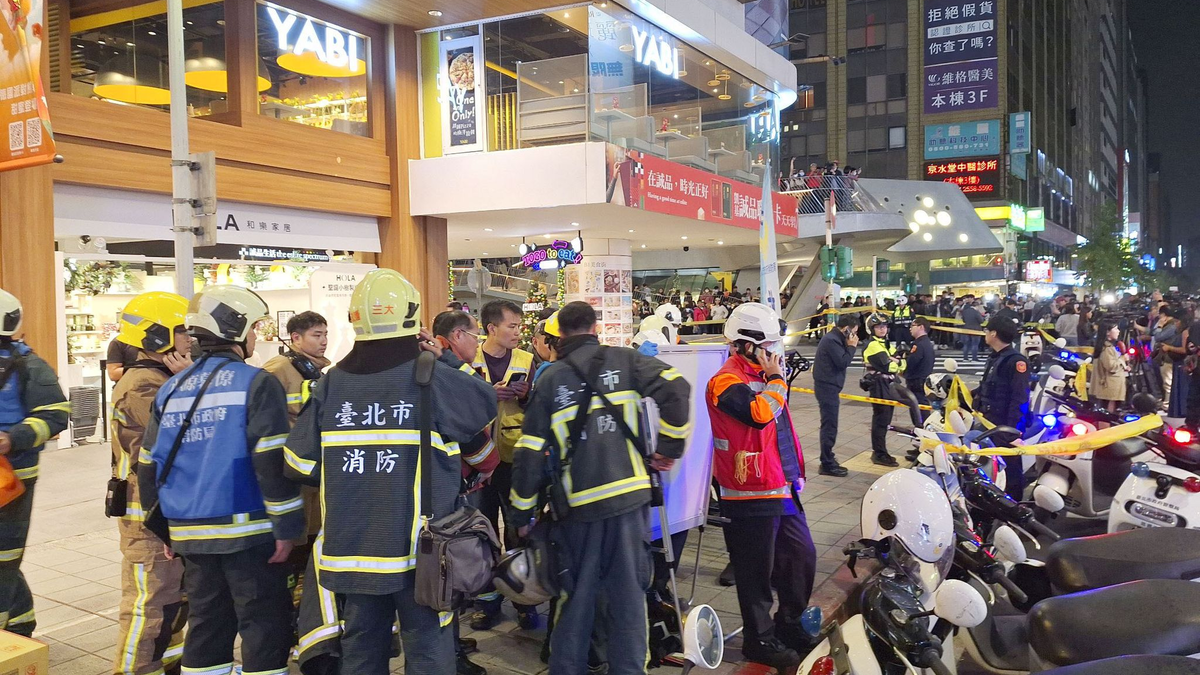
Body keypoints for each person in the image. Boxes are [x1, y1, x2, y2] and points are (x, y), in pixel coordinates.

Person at [284, 270, 497, 675]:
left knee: (362, 648)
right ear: (413, 316)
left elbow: (299, 464)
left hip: (352, 550)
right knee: (428, 649)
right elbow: (483, 408)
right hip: (422, 554)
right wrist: (445, 356)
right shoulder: (432, 377)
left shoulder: (331, 384)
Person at [509, 301, 691, 675]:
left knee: (573, 599)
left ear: (559, 335)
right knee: (628, 598)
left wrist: (521, 514)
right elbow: (677, 387)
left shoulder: (550, 379)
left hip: (576, 512)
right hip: (629, 504)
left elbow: (529, 453)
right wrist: (667, 451)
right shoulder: (627, 361)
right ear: (595, 328)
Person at [137, 285, 304, 675]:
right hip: (249, 533)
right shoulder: (256, 382)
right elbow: (270, 460)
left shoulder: (171, 388)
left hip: (191, 532)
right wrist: (287, 527)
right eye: (253, 328)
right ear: (236, 328)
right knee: (263, 626)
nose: (255, 337)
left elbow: (148, 467)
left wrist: (166, 531)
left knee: (207, 626)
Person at [705, 303, 817, 670]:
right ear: (744, 344)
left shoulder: (765, 375)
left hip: (780, 485)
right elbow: (759, 415)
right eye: (768, 343)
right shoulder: (725, 380)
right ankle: (760, 639)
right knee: (755, 573)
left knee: (801, 557)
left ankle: (788, 624)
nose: (775, 350)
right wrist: (777, 380)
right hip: (748, 490)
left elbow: (780, 429)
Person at [110, 292, 193, 675]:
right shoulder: (142, 384)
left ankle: (168, 666)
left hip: (166, 510)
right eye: (182, 331)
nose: (190, 338)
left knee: (174, 602)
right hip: (147, 517)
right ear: (158, 336)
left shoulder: (160, 378)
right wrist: (188, 381)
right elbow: (176, 435)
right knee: (149, 606)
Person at [469, 300, 537, 631]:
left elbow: (535, 404)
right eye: (512, 326)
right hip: (477, 459)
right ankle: (486, 600)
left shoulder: (526, 359)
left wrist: (524, 396)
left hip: (513, 456)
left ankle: (525, 598)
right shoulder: (470, 359)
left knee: (518, 529)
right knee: (481, 531)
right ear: (491, 328)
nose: (517, 332)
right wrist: (486, 394)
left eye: (520, 326)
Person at [975, 316, 1031, 500]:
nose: (985, 333)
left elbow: (1020, 398)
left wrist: (1013, 433)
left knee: (1011, 470)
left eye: (987, 330)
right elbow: (988, 386)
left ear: (994, 334)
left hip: (1004, 428)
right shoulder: (996, 358)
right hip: (989, 423)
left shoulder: (1015, 361)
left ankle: (1016, 507)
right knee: (990, 467)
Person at [811, 314, 859, 477]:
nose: (855, 336)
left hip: (829, 386)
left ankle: (828, 458)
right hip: (827, 387)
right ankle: (826, 462)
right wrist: (852, 346)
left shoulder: (835, 338)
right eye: (854, 332)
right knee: (829, 425)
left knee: (830, 424)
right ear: (847, 330)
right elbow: (843, 362)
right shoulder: (831, 340)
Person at [861, 313, 903, 467]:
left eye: (884, 326)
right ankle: (879, 453)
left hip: (888, 385)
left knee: (884, 421)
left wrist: (895, 361)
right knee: (881, 421)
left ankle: (881, 451)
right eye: (878, 327)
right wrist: (895, 361)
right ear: (872, 329)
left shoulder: (885, 344)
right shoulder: (873, 345)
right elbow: (888, 366)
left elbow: (899, 364)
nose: (882, 329)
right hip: (879, 386)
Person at [1091, 319, 1129, 413]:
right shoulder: (1107, 349)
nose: (1118, 331)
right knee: (1107, 411)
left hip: (1110, 385)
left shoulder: (1107, 347)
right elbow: (1111, 366)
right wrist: (1122, 359)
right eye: (1116, 329)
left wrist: (1124, 366)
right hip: (1109, 386)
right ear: (1108, 332)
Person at [905, 317, 935, 412]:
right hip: (922, 380)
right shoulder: (926, 342)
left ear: (921, 327)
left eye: (912, 326)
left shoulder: (919, 344)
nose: (910, 329)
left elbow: (911, 362)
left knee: (918, 409)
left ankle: (921, 426)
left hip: (917, 382)